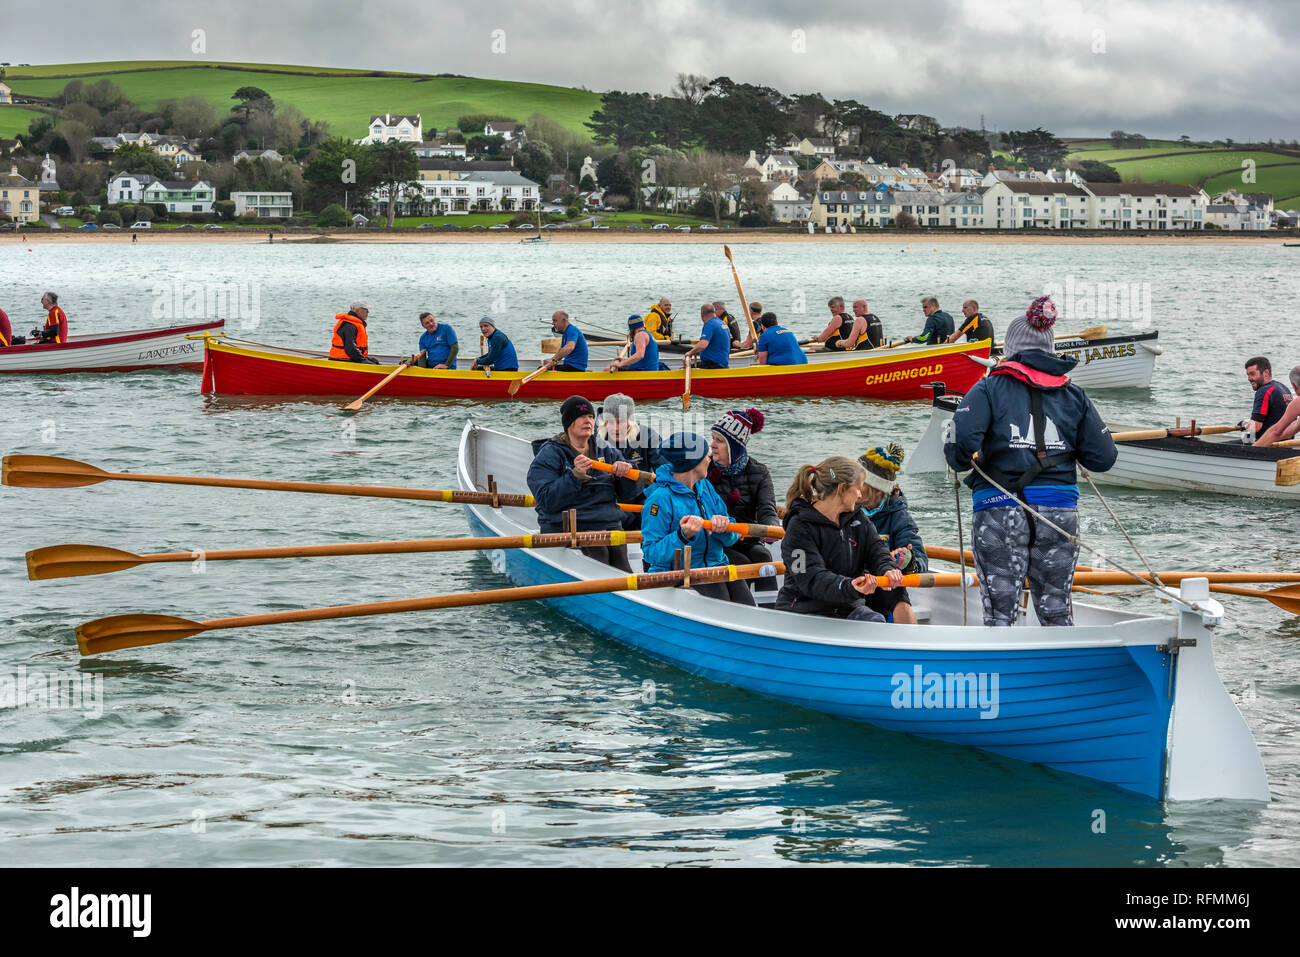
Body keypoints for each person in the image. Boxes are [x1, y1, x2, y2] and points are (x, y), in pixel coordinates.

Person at [943, 295, 1118, 628]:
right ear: (1050, 348)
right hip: (1059, 515)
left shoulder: (989, 387)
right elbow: (1104, 458)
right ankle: (1062, 674)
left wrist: (964, 456)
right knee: (1056, 611)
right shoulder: (1074, 394)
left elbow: (959, 449)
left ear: (1010, 349)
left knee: (999, 614)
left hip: (999, 509)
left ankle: (1002, 677)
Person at [775, 456, 907, 623]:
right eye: (858, 488)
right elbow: (810, 578)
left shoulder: (857, 518)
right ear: (843, 489)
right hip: (803, 610)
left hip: (846, 607)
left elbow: (877, 549)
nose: (860, 495)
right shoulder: (799, 526)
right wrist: (849, 586)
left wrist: (888, 569)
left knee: (876, 622)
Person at [526, 395, 640, 573]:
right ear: (569, 423)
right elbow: (546, 501)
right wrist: (575, 476)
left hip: (608, 523)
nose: (588, 421)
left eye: (591, 417)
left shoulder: (607, 451)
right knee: (599, 555)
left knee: (623, 569)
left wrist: (626, 475)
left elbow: (628, 496)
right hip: (570, 526)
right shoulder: (549, 454)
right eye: (581, 417)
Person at [640, 432, 754, 606]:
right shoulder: (659, 499)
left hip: (717, 564)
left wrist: (725, 528)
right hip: (681, 573)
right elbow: (651, 553)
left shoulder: (705, 487)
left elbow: (730, 538)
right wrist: (682, 536)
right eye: (705, 455)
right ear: (693, 464)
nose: (710, 459)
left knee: (748, 606)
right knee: (723, 603)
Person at [708, 408, 780, 591]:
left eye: (719, 441)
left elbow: (767, 509)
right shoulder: (704, 468)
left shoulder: (759, 471)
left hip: (748, 538)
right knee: (741, 563)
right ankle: (741, 608)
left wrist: (771, 529)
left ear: (735, 447)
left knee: (763, 558)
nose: (712, 445)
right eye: (713, 438)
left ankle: (771, 609)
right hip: (714, 538)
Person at [856, 444, 924, 624]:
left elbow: (919, 557)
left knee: (896, 589)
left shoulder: (899, 517)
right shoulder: (845, 507)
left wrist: (909, 562)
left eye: (859, 482)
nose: (852, 486)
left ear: (877, 490)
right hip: (850, 580)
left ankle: (912, 647)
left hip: (881, 585)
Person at [597, 392, 665, 528]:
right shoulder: (593, 440)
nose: (616, 428)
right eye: (611, 422)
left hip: (641, 497)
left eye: (621, 421)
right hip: (606, 499)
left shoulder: (648, 436)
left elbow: (665, 470)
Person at [1241, 356, 1292, 442]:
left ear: (1266, 373)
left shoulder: (1264, 391)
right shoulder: (1284, 388)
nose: (1249, 378)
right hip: (1286, 443)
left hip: (1265, 445)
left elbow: (1256, 426)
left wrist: (1244, 427)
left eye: (1252, 374)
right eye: (1248, 375)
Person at [1256, 365, 1300, 446]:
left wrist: (1252, 450)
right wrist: (1273, 438)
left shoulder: (1298, 403)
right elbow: (1296, 426)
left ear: (1293, 385)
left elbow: (1275, 431)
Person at [682, 302, 731, 370]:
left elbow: (703, 345)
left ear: (702, 315)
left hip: (713, 365)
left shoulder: (710, 324)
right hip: (723, 363)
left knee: (682, 370)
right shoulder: (722, 323)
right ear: (714, 312)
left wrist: (690, 353)